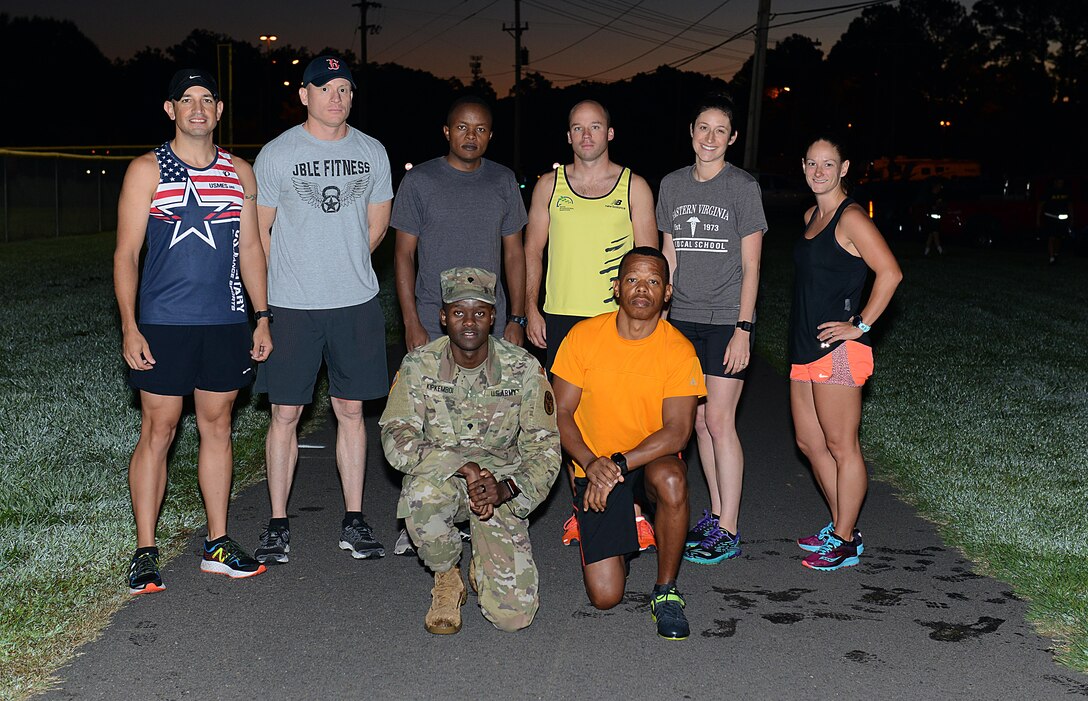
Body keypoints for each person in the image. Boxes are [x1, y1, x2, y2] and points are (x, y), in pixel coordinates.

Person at [114, 68, 272, 594]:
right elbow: (126, 254)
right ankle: (144, 549)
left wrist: (262, 315)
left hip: (226, 321)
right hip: (163, 323)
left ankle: (218, 544)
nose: (198, 108)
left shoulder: (239, 172)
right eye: (187, 99)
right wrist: (130, 326)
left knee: (218, 426)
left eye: (207, 99)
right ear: (171, 110)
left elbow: (250, 249)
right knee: (158, 431)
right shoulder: (146, 170)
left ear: (220, 110)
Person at [252, 55, 393, 563]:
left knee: (351, 411)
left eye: (345, 89)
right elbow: (260, 233)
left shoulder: (372, 152)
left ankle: (354, 519)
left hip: (355, 302)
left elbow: (376, 228)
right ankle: (277, 523)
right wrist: (287, 282)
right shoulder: (278, 153)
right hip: (293, 305)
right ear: (305, 95)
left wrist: (341, 263)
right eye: (326, 88)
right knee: (285, 412)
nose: (337, 97)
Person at [380, 268, 560, 634]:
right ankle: (447, 577)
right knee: (421, 494)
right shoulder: (419, 366)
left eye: (479, 312)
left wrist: (507, 489)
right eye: (459, 312)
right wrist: (462, 466)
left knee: (514, 618)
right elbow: (396, 438)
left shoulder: (523, 368)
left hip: (500, 488)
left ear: (493, 317)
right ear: (443, 316)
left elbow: (546, 449)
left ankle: (485, 558)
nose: (469, 322)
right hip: (445, 478)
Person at [551, 247, 707, 640]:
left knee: (672, 479)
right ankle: (629, 522)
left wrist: (618, 465)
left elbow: (677, 432)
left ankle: (666, 591)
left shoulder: (679, 350)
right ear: (616, 287)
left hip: (644, 462)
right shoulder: (584, 336)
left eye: (654, 281)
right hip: (594, 465)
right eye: (633, 280)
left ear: (667, 292)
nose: (643, 289)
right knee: (605, 597)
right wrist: (590, 462)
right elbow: (561, 413)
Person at [523, 99, 657, 549]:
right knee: (571, 415)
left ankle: (633, 507)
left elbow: (649, 262)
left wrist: (652, 319)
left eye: (595, 127)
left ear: (610, 133)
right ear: (568, 136)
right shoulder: (548, 185)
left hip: (618, 318)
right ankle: (583, 506)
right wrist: (531, 307)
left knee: (626, 411)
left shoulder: (633, 185)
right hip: (562, 317)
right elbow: (532, 251)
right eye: (577, 128)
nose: (586, 136)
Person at [656, 94, 766, 565]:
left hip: (725, 320)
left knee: (720, 421)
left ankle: (730, 527)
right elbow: (669, 256)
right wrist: (661, 320)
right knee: (697, 422)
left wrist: (744, 327)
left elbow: (752, 263)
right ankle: (716, 513)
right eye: (704, 128)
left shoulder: (742, 187)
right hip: (681, 320)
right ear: (691, 130)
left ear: (732, 138)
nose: (710, 138)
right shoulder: (672, 185)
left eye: (720, 130)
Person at [791, 136, 902, 571]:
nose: (819, 171)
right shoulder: (810, 215)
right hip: (803, 346)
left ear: (844, 168)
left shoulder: (851, 217)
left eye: (828, 164)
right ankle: (841, 524)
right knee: (809, 442)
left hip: (836, 351)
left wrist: (860, 326)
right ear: (803, 166)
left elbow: (890, 273)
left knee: (841, 445)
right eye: (812, 163)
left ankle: (844, 539)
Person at [392, 95, 528, 349]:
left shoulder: (504, 180)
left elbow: (514, 254)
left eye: (480, 129)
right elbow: (404, 255)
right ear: (447, 132)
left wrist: (516, 319)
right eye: (462, 127)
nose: (471, 136)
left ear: (490, 135)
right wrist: (411, 322)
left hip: (490, 321)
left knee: (491, 390)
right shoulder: (419, 181)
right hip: (433, 320)